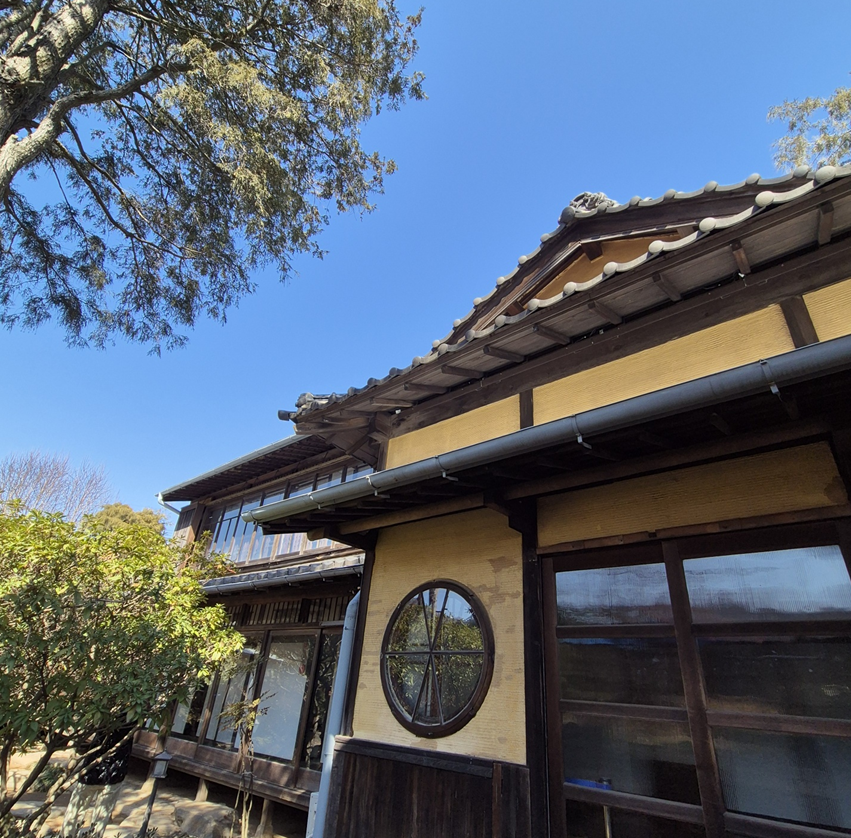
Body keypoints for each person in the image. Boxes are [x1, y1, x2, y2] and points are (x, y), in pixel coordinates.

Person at [60, 723, 134, 838]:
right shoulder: (134, 718)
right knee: (101, 816)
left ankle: (67, 835)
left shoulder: (107, 716)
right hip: (115, 771)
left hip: (93, 769)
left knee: (76, 811)